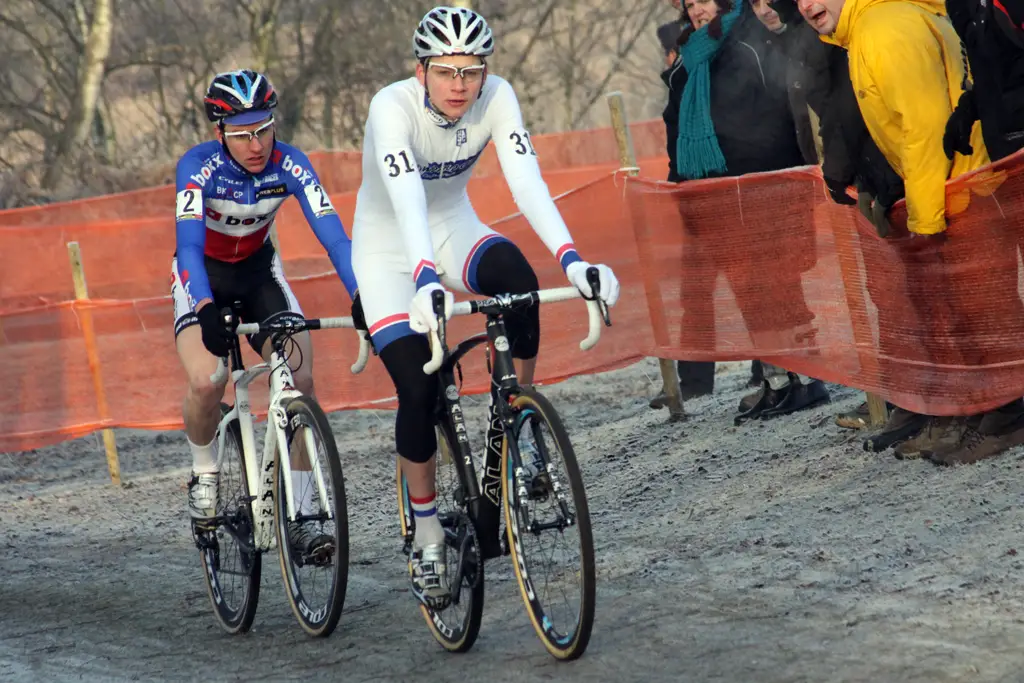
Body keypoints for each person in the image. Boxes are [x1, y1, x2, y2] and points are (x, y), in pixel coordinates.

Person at [349, 6, 620, 609]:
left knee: (518, 282)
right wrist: (422, 278)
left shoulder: (497, 95)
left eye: (471, 71)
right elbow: (406, 197)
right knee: (419, 389)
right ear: (420, 70)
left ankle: (521, 424)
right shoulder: (390, 107)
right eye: (446, 71)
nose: (459, 85)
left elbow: (526, 181)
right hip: (388, 253)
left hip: (452, 227)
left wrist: (574, 261)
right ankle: (424, 534)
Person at [172, 69, 359, 556]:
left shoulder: (291, 164)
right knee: (207, 382)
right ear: (220, 133)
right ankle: (205, 471)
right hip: (205, 279)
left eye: (263, 129)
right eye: (241, 135)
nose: (256, 145)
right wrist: (207, 308)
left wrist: (361, 294)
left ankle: (300, 514)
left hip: (259, 276)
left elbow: (334, 236)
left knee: (299, 377)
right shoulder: (198, 168)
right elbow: (188, 247)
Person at [660, 0, 830, 423]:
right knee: (750, 293)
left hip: (765, 188)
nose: (696, 10)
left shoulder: (751, 39)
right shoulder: (692, 54)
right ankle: (775, 381)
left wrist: (780, 181)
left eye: (703, 0)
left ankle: (807, 378)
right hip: (714, 197)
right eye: (688, 3)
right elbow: (676, 124)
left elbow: (779, 115)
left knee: (780, 288)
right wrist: (681, 183)